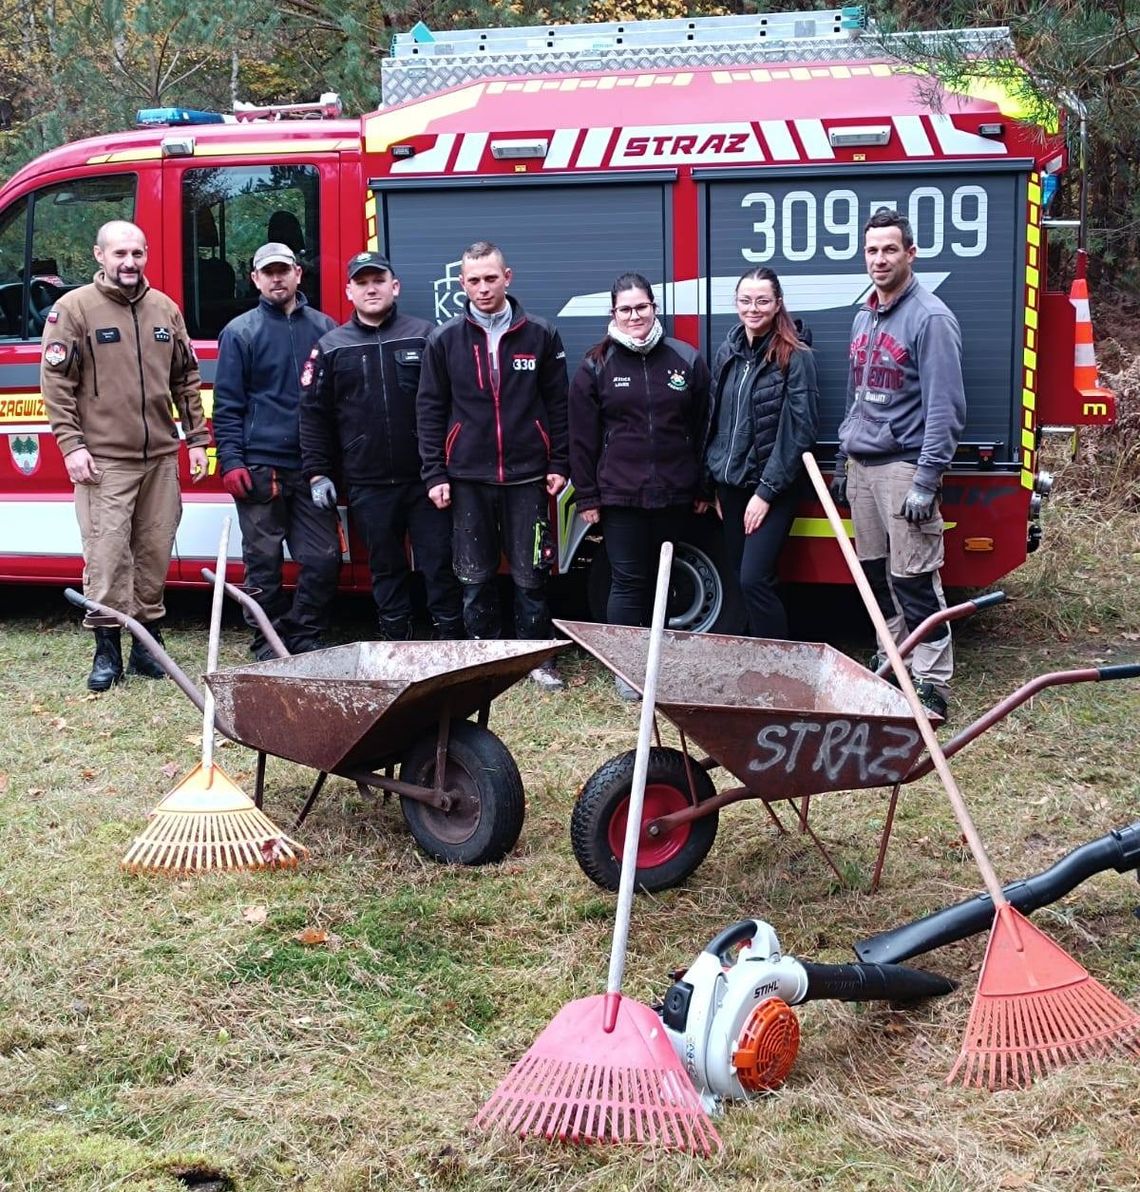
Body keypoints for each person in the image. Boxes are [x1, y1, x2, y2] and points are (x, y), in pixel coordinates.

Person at [40, 220, 208, 691]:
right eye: (119, 254)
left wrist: (196, 439)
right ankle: (107, 653)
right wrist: (71, 446)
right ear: (99, 255)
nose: (129, 263)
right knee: (108, 555)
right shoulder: (73, 310)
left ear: (146, 254)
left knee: (154, 552)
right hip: (104, 461)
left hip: (159, 457)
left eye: (137, 253)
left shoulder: (164, 308)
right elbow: (56, 385)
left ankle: (146, 650)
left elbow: (186, 379)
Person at [831, 208, 966, 719]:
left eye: (890, 249)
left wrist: (926, 480)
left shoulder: (930, 318)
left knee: (914, 576)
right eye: (872, 250)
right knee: (874, 573)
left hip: (904, 467)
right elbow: (856, 396)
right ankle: (897, 659)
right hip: (863, 467)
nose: (880, 259)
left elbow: (946, 407)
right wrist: (846, 459)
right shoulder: (864, 316)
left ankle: (932, 682)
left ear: (910, 253)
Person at [417, 241, 569, 690]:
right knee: (474, 574)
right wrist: (434, 473)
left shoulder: (541, 334)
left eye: (491, 278)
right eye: (474, 280)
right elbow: (429, 410)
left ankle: (536, 659)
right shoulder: (444, 339)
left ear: (508, 277)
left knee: (532, 573)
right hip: (467, 478)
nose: (483, 288)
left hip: (529, 476)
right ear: (462, 284)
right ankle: (484, 658)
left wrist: (558, 460)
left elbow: (559, 405)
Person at [301, 251, 463, 640]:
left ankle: (451, 639)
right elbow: (313, 415)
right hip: (367, 483)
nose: (370, 288)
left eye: (378, 280)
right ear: (349, 291)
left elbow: (452, 405)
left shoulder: (426, 336)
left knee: (439, 563)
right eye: (362, 282)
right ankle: (396, 640)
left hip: (426, 480)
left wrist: (446, 466)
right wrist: (318, 473)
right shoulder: (331, 347)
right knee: (385, 567)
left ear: (395, 286)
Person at [568, 271, 709, 698]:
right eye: (626, 309)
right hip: (620, 495)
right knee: (628, 581)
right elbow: (580, 438)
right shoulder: (595, 365)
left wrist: (702, 487)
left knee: (665, 579)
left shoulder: (685, 359)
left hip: (674, 491)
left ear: (654, 308)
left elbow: (704, 426)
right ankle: (627, 673)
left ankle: (659, 667)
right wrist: (588, 496)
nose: (635, 316)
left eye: (642, 307)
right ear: (613, 313)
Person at [213, 242, 339, 659]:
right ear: (255, 279)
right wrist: (231, 461)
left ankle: (301, 635)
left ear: (298, 274)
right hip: (260, 469)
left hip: (310, 469)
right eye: (268, 272)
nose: (276, 278)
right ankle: (268, 642)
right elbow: (227, 405)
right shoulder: (239, 332)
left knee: (323, 559)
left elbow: (336, 403)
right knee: (263, 568)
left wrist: (332, 463)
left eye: (283, 270)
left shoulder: (325, 329)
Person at [704, 266, 819, 640]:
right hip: (731, 486)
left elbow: (801, 431)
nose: (753, 308)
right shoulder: (727, 352)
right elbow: (715, 418)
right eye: (745, 300)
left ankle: (780, 664)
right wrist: (713, 482)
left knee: (754, 578)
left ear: (778, 303)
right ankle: (755, 658)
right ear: (736, 303)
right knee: (743, 578)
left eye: (762, 301)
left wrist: (766, 493)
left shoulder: (795, 356)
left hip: (772, 489)